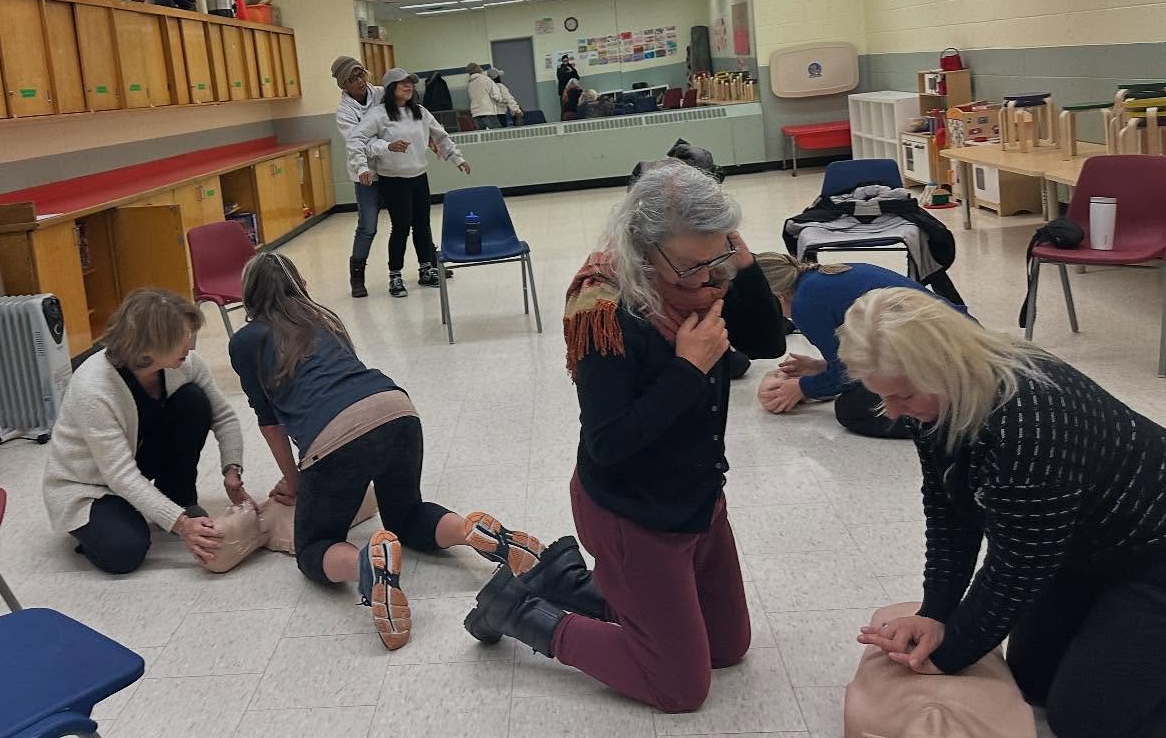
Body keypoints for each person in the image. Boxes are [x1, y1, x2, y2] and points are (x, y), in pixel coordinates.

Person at [464, 162, 787, 712]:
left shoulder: (699, 275)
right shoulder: (608, 310)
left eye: (721, 258)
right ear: (645, 248)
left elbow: (766, 341)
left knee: (729, 648)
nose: (713, 281)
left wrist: (742, 261)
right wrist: (687, 370)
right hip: (630, 512)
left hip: (697, 499)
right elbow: (607, 444)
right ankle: (521, 611)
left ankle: (568, 582)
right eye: (696, 266)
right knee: (680, 687)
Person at [844, 287, 1166, 738]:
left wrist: (947, 653)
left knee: (1091, 722)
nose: (895, 413)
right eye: (885, 396)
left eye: (904, 396)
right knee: (1031, 679)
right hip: (1084, 545)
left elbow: (1018, 565)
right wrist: (936, 612)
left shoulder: (1029, 423)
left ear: (944, 367)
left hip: (1155, 551)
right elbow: (947, 509)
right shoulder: (939, 402)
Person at [230, 252, 543, 649]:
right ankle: (474, 532)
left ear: (250, 295)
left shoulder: (246, 340)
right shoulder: (325, 319)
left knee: (312, 548)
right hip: (396, 410)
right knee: (407, 513)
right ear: (300, 285)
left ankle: (366, 567)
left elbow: (270, 423)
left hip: (335, 439)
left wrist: (294, 483)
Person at [43, 288, 246, 575]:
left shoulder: (185, 364)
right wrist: (181, 523)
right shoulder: (93, 386)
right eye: (183, 337)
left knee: (193, 401)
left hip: (134, 459)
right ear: (149, 346)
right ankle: (103, 524)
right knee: (125, 552)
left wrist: (232, 470)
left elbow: (223, 416)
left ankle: (177, 496)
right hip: (89, 485)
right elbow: (120, 475)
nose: (190, 346)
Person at [753, 253, 971, 438]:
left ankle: (950, 420)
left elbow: (846, 376)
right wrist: (821, 367)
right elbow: (861, 355)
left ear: (778, 299)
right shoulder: (822, 277)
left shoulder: (804, 304)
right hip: (960, 340)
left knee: (852, 410)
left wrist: (801, 388)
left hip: (948, 362)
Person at [346, 67, 471, 297]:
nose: (409, 86)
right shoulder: (379, 114)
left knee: (422, 226)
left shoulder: (420, 112)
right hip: (393, 180)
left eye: (410, 83)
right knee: (401, 227)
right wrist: (361, 166)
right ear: (392, 88)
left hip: (418, 177)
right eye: (403, 83)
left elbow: (440, 136)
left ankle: (426, 269)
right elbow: (356, 139)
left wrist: (457, 158)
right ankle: (395, 276)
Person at [332, 55, 383, 299]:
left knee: (409, 218)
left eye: (361, 74)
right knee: (368, 226)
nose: (360, 81)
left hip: (394, 168)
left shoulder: (382, 95)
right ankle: (357, 275)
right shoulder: (344, 112)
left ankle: (427, 264)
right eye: (352, 79)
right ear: (344, 85)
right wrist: (387, 145)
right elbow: (358, 143)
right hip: (366, 174)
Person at [465, 62, 501, 129]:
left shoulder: (470, 83)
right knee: (497, 134)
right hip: (488, 111)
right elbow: (495, 95)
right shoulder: (485, 79)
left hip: (475, 113)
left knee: (483, 137)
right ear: (477, 69)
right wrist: (498, 100)